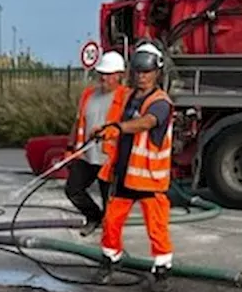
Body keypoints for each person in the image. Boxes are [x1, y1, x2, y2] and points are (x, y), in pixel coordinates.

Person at [93, 42, 175, 275]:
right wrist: (105, 130)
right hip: (125, 173)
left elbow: (147, 122)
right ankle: (110, 259)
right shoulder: (129, 98)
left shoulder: (160, 102)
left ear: (157, 72)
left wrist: (118, 128)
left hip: (149, 177)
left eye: (147, 72)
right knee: (111, 221)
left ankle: (162, 269)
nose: (142, 76)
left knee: (156, 227)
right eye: (138, 72)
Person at [65, 50, 129, 237]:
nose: (103, 78)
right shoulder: (88, 95)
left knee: (110, 201)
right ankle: (94, 217)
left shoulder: (126, 97)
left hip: (109, 159)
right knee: (73, 190)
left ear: (119, 75)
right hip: (86, 155)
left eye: (108, 74)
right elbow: (78, 122)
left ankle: (110, 240)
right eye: (101, 73)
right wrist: (70, 148)